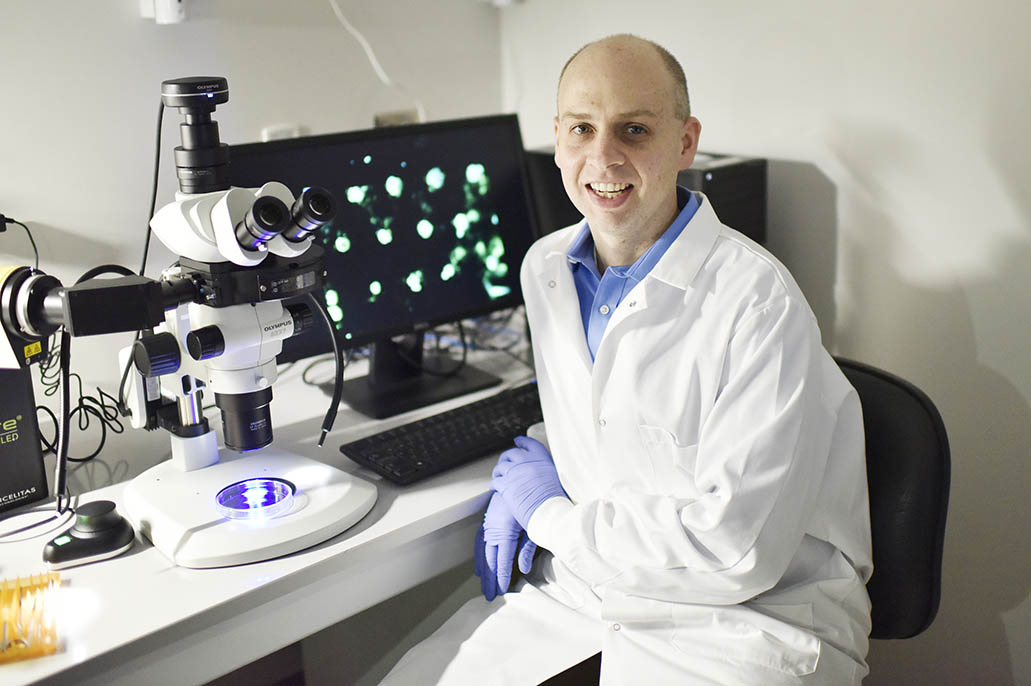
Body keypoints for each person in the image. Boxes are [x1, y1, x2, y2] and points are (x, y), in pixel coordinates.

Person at [380, 33, 872, 685]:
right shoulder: (547, 268)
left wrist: (549, 515)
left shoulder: (757, 302)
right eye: (581, 128)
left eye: (633, 130)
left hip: (750, 625)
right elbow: (613, 414)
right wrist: (538, 450)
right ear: (556, 139)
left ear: (685, 142)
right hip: (589, 593)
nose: (602, 157)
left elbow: (737, 553)